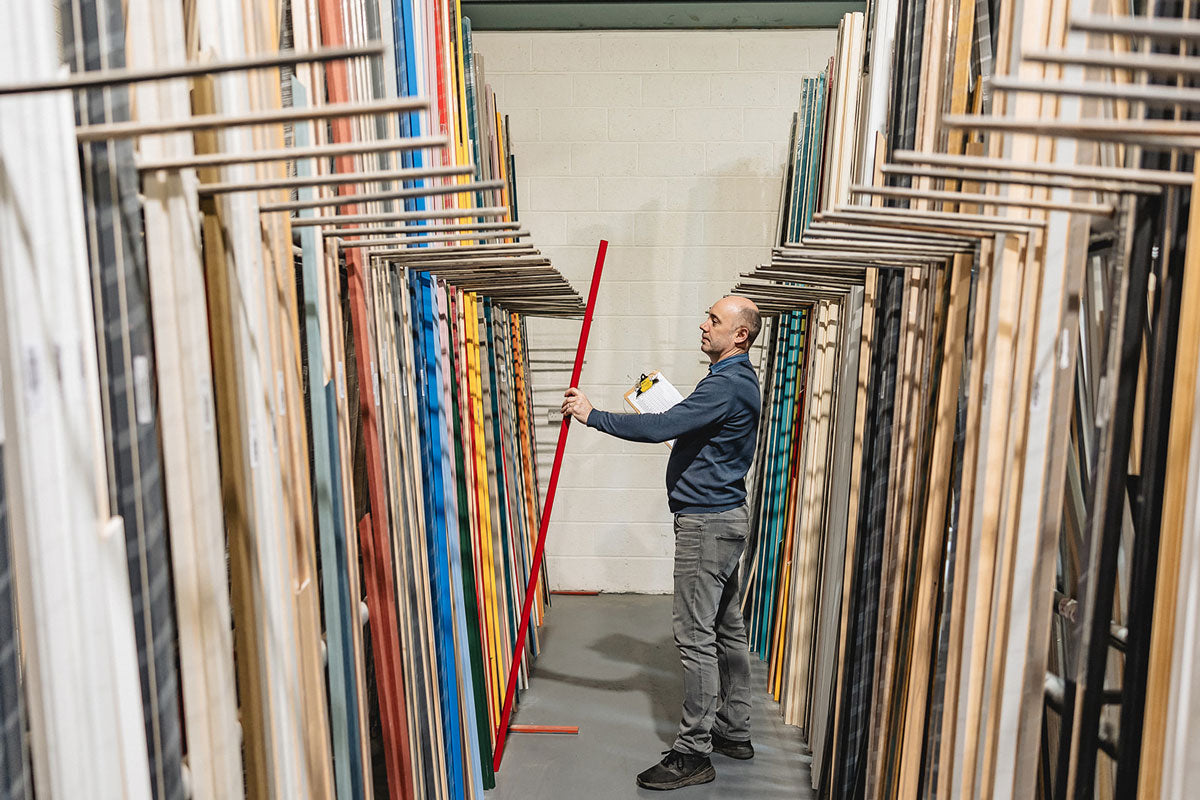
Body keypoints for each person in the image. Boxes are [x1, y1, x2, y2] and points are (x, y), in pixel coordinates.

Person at [561, 294, 763, 791]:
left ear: (739, 334)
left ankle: (694, 752)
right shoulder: (730, 381)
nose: (703, 324)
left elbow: (661, 427)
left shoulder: (729, 383)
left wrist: (594, 415)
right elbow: (689, 428)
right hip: (724, 517)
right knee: (724, 629)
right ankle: (734, 731)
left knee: (695, 637)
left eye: (714, 320)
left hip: (706, 524)